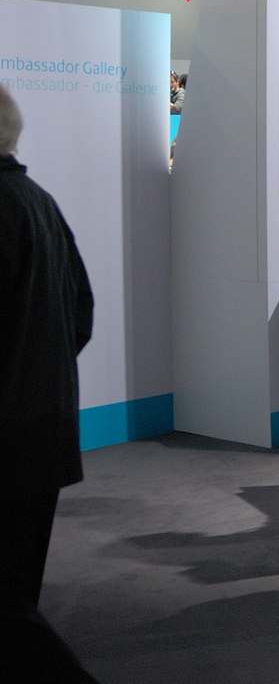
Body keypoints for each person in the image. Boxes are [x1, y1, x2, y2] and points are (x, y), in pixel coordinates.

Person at [0, 85, 100, 677]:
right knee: (19, 585)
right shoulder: (39, 201)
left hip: (9, 435)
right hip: (42, 428)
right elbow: (80, 314)